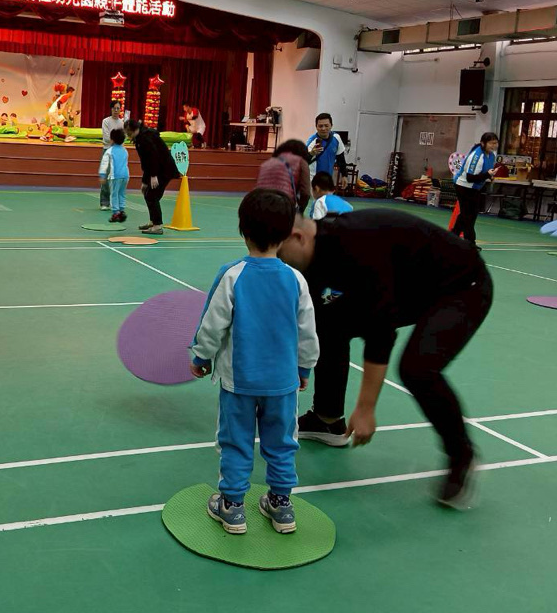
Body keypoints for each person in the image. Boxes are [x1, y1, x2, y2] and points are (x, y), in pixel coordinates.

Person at [279, 209, 493, 508]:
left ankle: (462, 455)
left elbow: (380, 330)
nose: (281, 262)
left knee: (417, 369)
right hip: (414, 287)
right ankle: (327, 419)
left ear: (298, 237)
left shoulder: (356, 245)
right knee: (326, 323)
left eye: (281, 254)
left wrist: (366, 408)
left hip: (463, 286)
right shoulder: (314, 254)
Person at [192, 189, 319, 535]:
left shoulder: (232, 275)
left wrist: (201, 356)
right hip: (283, 385)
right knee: (282, 443)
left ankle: (232, 507)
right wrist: (304, 368)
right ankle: (281, 505)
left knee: (235, 441)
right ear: (287, 234)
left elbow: (212, 324)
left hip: (239, 383)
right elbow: (307, 332)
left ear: (243, 229)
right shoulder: (296, 279)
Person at [123, 119, 180, 236]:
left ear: (134, 130)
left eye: (129, 133)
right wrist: (145, 181)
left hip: (164, 170)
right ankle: (153, 221)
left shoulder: (145, 138)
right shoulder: (139, 138)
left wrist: (153, 176)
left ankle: (157, 226)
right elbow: (146, 162)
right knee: (147, 193)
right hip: (157, 169)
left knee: (152, 196)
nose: (128, 136)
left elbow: (154, 157)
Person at [451, 132, 499, 247]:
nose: (494, 146)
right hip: (463, 186)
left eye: (495, 143)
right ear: (483, 143)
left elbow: (484, 172)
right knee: (469, 215)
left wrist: (490, 176)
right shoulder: (477, 156)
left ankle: (452, 237)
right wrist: (487, 175)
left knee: (468, 214)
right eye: (491, 143)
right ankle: (470, 243)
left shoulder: (491, 155)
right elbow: (470, 178)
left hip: (475, 188)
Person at [256, 139, 312, 214]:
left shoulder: (266, 163)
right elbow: (305, 193)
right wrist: (300, 210)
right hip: (283, 205)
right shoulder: (301, 162)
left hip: (258, 204)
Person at [306, 113, 346, 186]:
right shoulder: (311, 141)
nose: (323, 128)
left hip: (327, 180)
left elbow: (340, 158)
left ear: (331, 125)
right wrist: (311, 153)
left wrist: (344, 175)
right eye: (320, 126)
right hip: (312, 181)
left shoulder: (336, 138)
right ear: (316, 127)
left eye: (326, 125)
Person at [99, 128, 130, 224]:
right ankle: (122, 210)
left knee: (114, 194)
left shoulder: (109, 151)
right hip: (125, 175)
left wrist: (102, 175)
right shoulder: (125, 150)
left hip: (115, 176)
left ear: (111, 140)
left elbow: (104, 164)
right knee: (122, 193)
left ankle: (116, 213)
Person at [99, 101, 124, 210]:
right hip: (107, 151)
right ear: (111, 109)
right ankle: (104, 202)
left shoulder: (122, 123)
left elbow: (123, 138)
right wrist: (116, 141)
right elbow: (106, 138)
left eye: (118, 108)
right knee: (106, 177)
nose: (116, 110)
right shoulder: (106, 121)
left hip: (118, 153)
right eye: (114, 108)